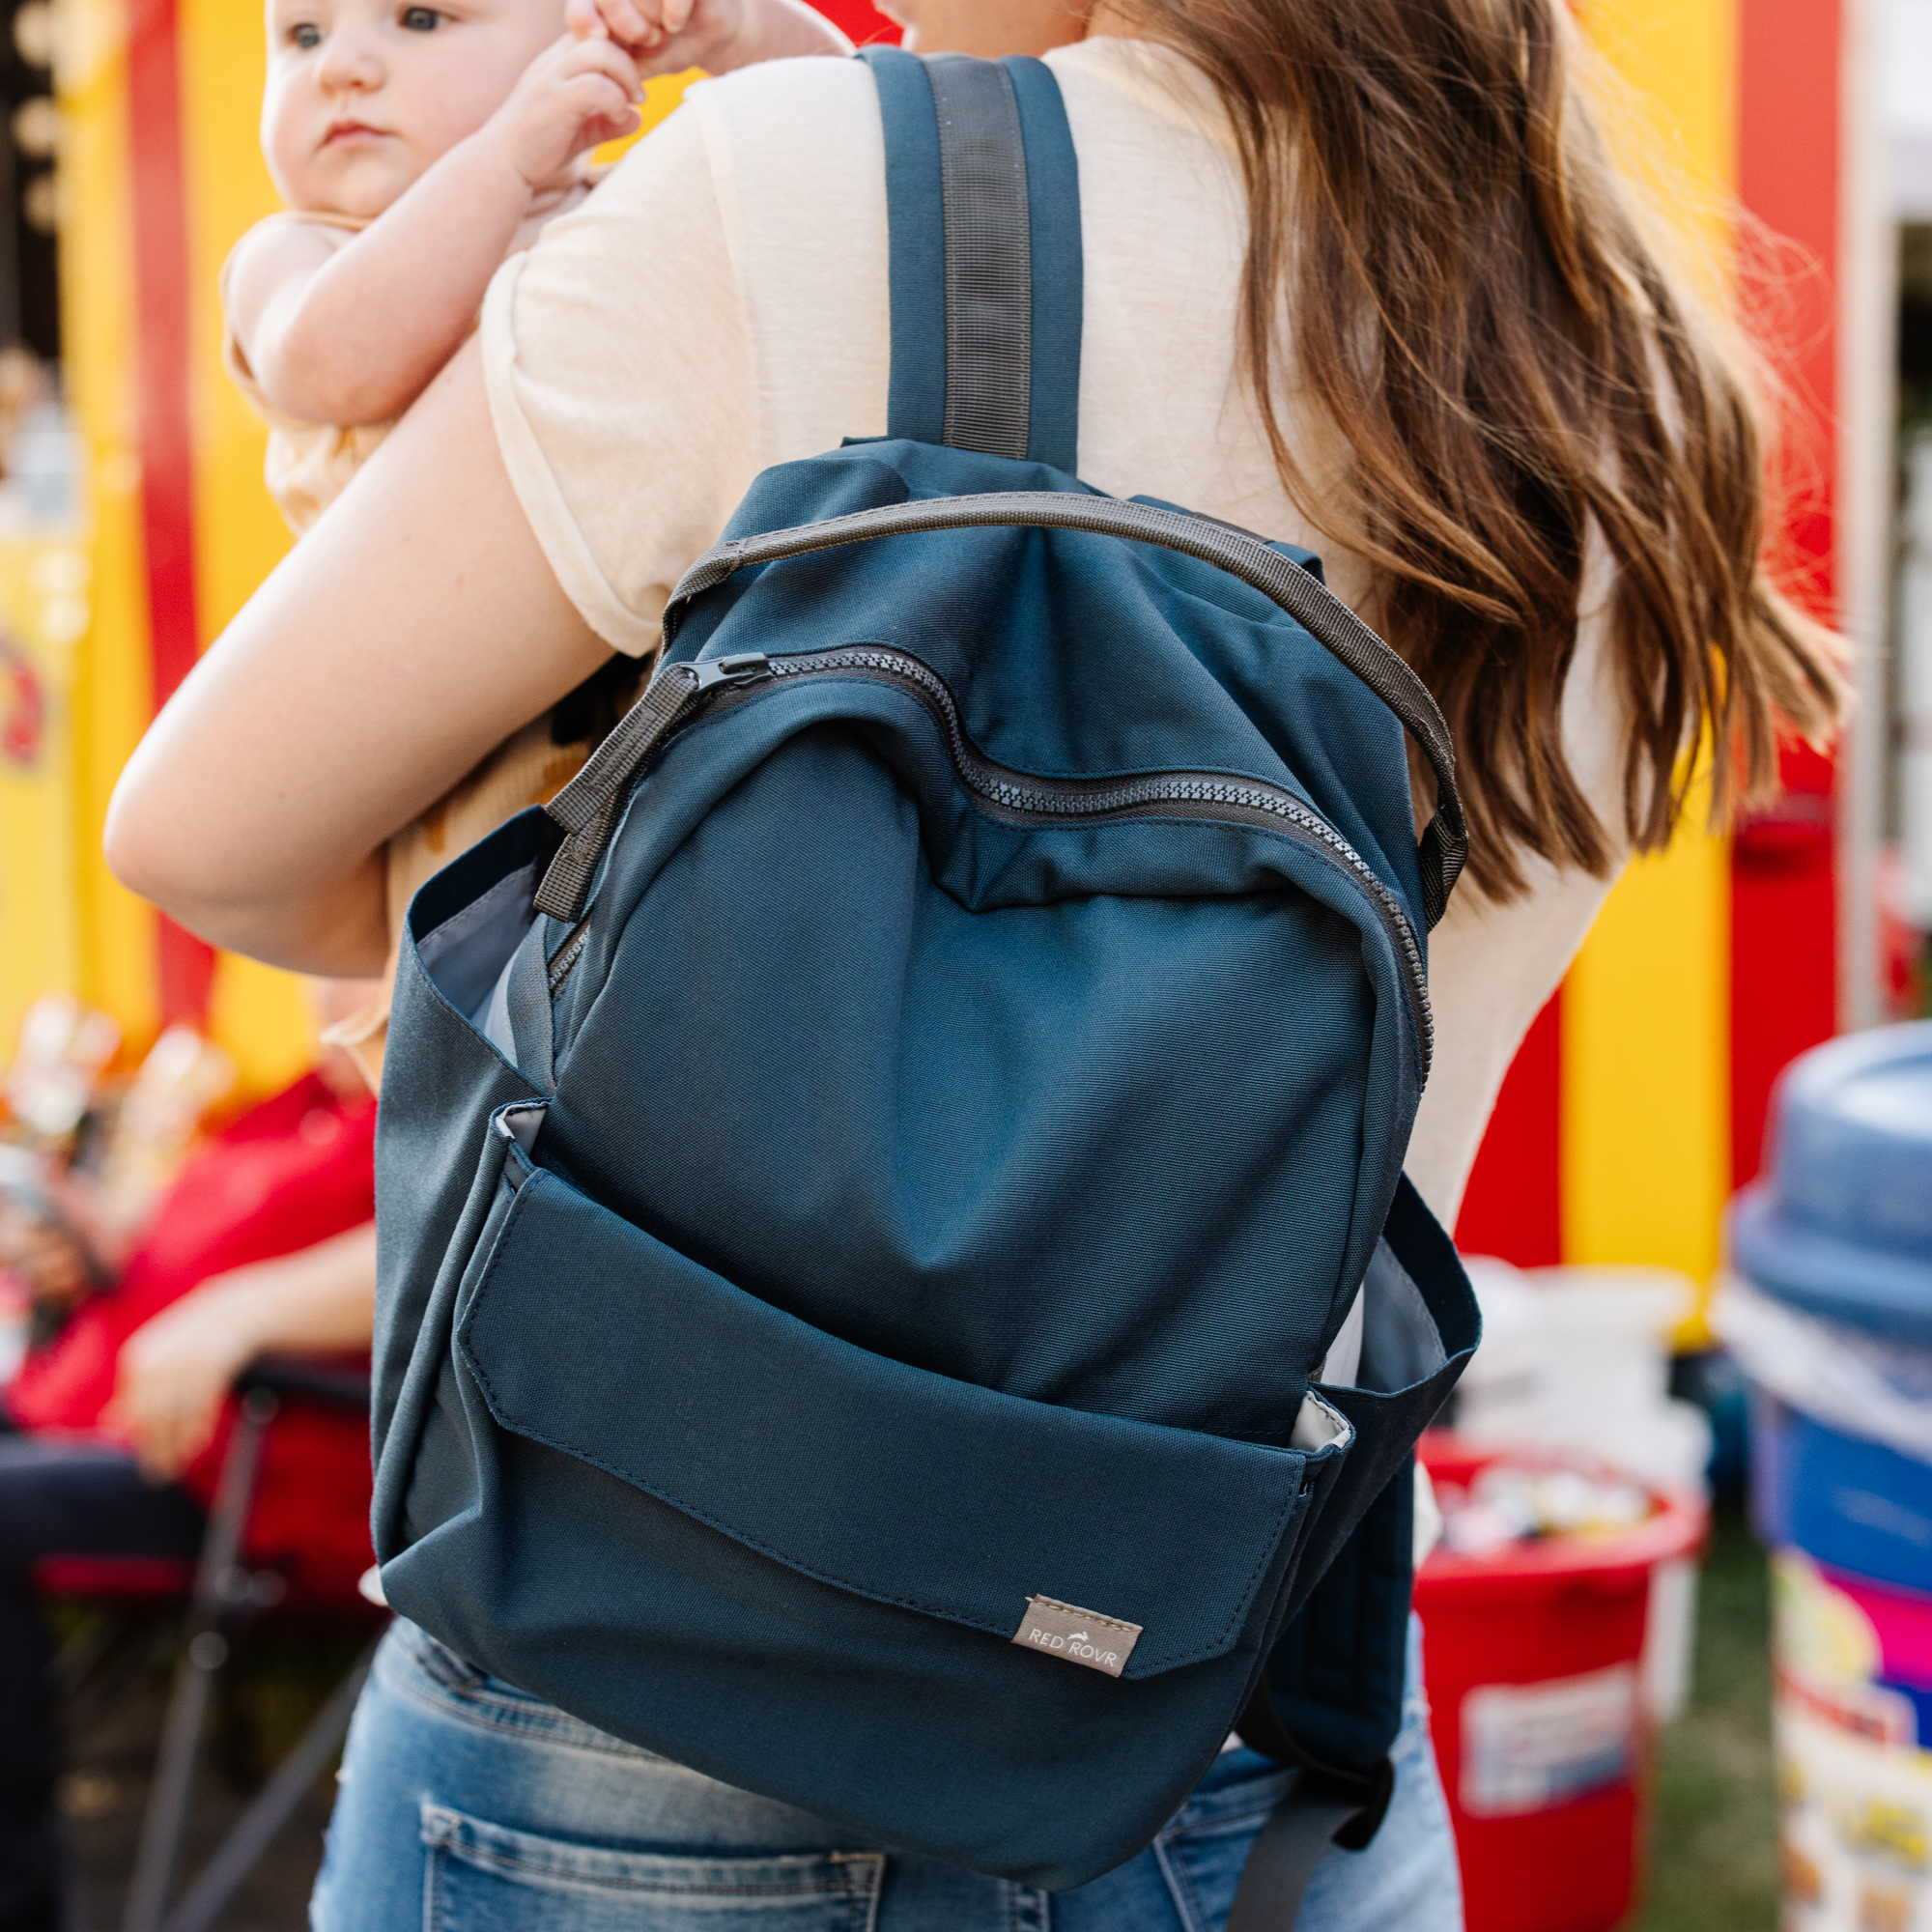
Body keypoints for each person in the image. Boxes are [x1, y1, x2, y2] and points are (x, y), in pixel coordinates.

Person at [103, 0, 1845, 1923]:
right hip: (1220, 1660)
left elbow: (203, 836)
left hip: (666, 1641)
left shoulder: (818, 190)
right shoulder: (1616, 355)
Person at [223, 0, 852, 1081]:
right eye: (303, 38)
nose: (343, 71)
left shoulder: (624, 211)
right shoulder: (302, 253)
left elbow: (839, 140)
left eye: (419, 18)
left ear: (578, 41)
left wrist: (739, 37)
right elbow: (333, 363)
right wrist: (507, 158)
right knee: (505, 1107)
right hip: (457, 791)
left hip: (649, 745)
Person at [0, 985, 384, 1932]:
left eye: (353, 962)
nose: (320, 989)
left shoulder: (430, 1111)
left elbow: (442, 1237)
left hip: (240, 1475)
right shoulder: (288, 1106)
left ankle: (16, 1891)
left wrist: (237, 1310)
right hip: (88, 1410)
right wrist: (96, 1236)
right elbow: (174, 1240)